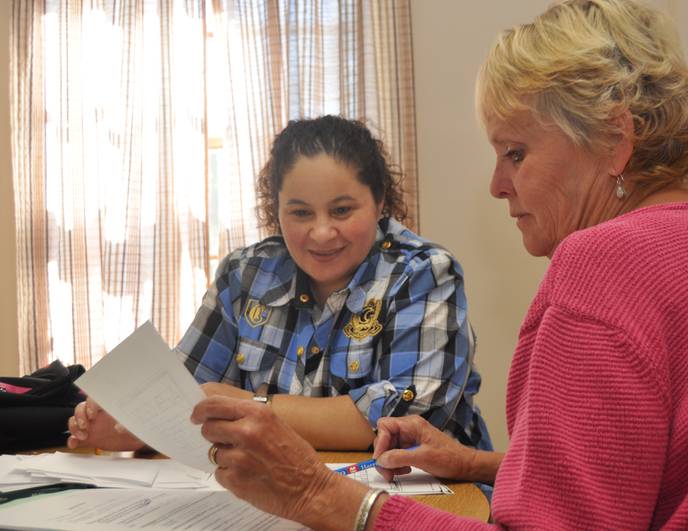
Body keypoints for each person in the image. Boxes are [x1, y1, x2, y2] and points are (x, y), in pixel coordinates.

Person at [189, 0, 688, 529]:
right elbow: (653, 474)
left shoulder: (602, 266)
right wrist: (476, 462)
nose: (496, 185)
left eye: (516, 152)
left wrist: (315, 494)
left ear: (615, 141)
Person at [67, 115, 492, 453]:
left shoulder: (425, 273)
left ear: (380, 202)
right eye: (301, 213)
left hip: (416, 495)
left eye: (342, 211)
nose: (321, 233)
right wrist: (132, 426)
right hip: (272, 496)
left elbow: (407, 420)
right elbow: (186, 397)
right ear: (276, 210)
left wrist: (248, 407)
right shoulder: (244, 274)